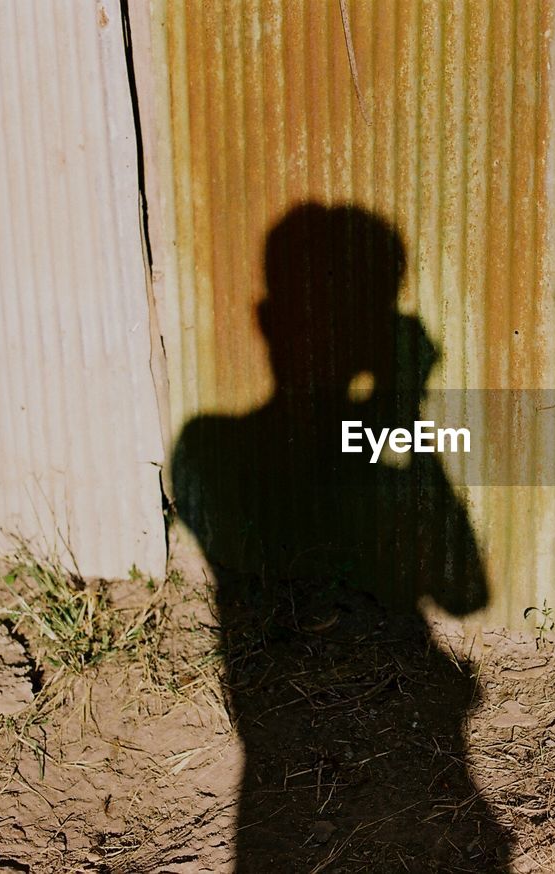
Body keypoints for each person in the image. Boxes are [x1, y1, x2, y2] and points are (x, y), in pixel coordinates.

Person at [171, 203, 508, 870]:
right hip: (347, 758)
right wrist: (404, 410)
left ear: (265, 323)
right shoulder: (236, 447)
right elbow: (466, 591)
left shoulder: (203, 448)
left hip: (283, 761)